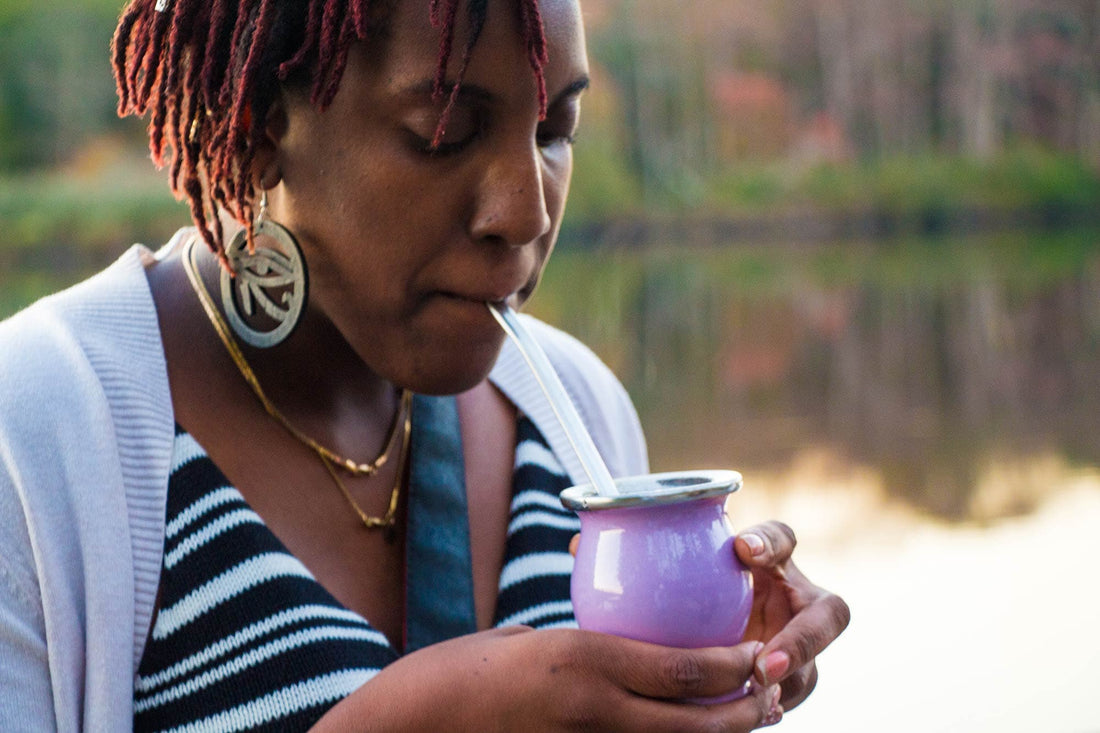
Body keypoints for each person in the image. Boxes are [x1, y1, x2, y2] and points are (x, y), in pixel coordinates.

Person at [0, 0, 850, 729]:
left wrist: (715, 663)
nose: (524, 211)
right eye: (444, 132)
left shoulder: (579, 414)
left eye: (554, 131)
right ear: (258, 125)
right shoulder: (33, 435)